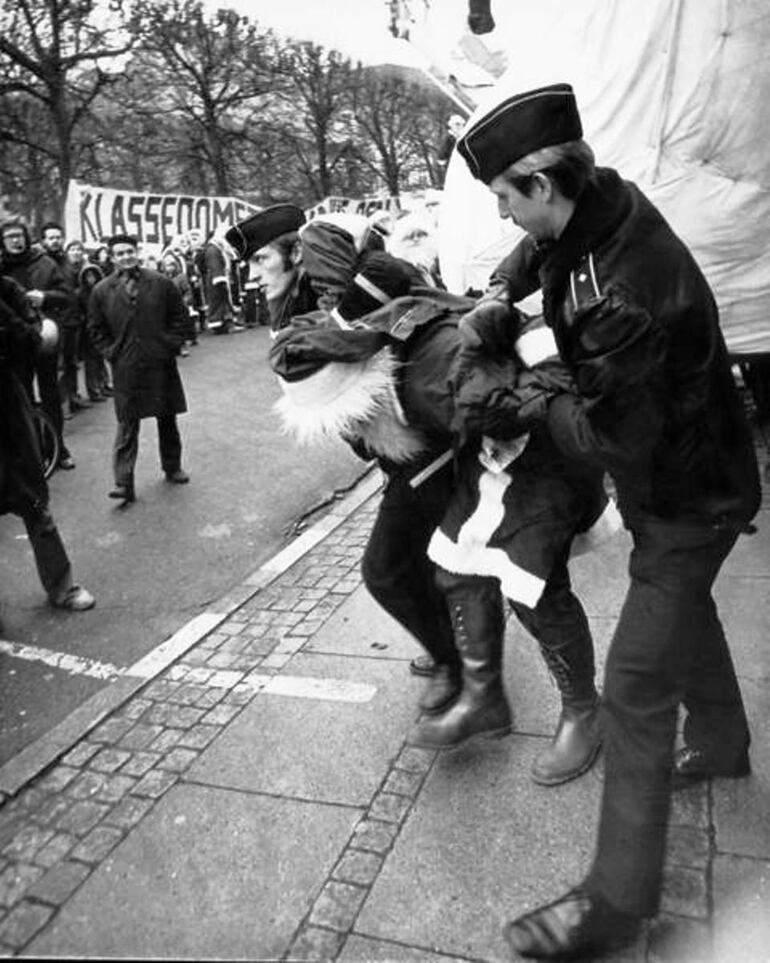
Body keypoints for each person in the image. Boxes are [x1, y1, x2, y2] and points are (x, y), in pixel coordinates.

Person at [453, 82, 761, 958]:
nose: (507, 216)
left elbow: (605, 436)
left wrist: (520, 398)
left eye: (507, 199)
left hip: (687, 493)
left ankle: (618, 904)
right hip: (694, 471)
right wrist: (499, 291)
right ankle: (727, 738)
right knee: (676, 602)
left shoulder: (613, 299)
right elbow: (543, 257)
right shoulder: (603, 198)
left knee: (631, 684)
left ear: (543, 184)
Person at [271, 250, 617, 770]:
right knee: (457, 567)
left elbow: (517, 401)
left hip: (542, 455)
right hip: (503, 450)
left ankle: (582, 713)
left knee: (534, 591)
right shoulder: (404, 364)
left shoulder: (427, 382)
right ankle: (484, 699)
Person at [1, 273, 95, 612]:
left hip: (8, 408)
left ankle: (61, 586)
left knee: (35, 502)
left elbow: (34, 342)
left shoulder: (8, 290)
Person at [87, 234, 190, 505]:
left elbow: (179, 317)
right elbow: (95, 329)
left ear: (137, 251)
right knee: (127, 425)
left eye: (129, 251)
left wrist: (170, 345)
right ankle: (123, 483)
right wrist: (112, 353)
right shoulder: (101, 290)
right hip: (127, 366)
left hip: (159, 361)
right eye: (119, 253)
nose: (125, 257)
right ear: (112, 257)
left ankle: (172, 467)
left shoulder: (160, 283)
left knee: (167, 417)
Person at [0, 219, 75, 471]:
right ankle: (32, 454)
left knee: (50, 395)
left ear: (26, 237)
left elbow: (67, 297)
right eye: (9, 236)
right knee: (22, 398)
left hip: (45, 337)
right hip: (12, 344)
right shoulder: (1, 268)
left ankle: (57, 448)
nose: (15, 240)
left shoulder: (44, 263)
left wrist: (45, 297)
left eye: (18, 235)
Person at [225, 204, 318, 336]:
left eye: (260, 259)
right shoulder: (294, 303)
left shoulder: (327, 312)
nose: (252, 275)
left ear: (297, 253)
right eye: (249, 263)